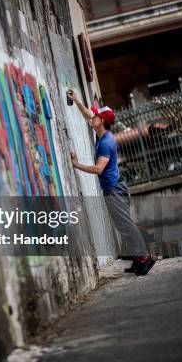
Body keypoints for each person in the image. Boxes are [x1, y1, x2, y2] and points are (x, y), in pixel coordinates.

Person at [67, 89, 155, 276]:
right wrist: (76, 100)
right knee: (123, 226)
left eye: (96, 116)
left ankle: (145, 258)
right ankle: (138, 260)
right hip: (114, 188)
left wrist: (76, 165)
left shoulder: (106, 142)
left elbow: (99, 169)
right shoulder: (101, 132)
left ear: (101, 121)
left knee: (126, 225)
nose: (93, 117)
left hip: (114, 189)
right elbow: (88, 114)